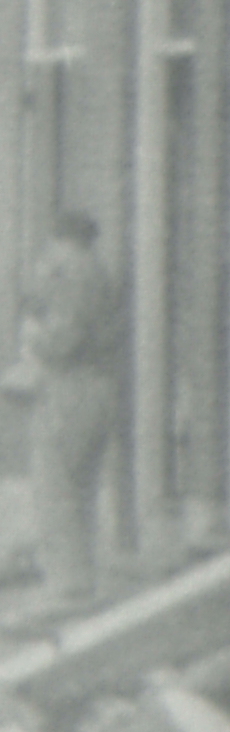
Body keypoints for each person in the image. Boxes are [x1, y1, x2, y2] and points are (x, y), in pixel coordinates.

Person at [27, 209, 119, 605]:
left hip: (71, 386)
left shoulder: (72, 276)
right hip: (99, 386)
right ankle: (80, 579)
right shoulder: (99, 272)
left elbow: (61, 341)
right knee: (82, 486)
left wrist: (33, 334)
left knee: (56, 483)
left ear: (62, 241)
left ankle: (66, 585)